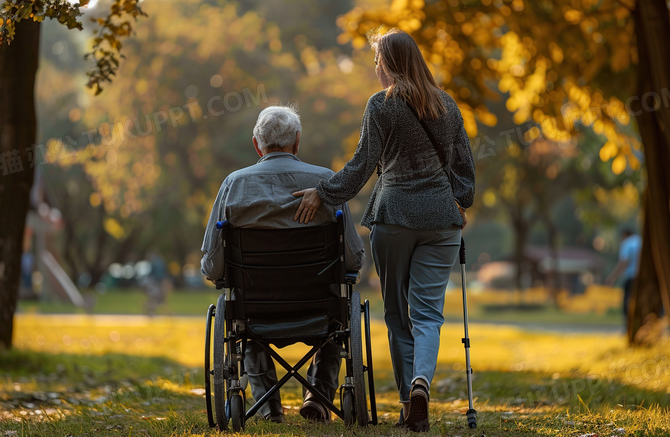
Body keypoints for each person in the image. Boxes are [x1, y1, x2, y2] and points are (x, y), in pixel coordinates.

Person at [292, 28, 475, 432]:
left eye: (377, 62)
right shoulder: (448, 106)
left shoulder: (381, 106)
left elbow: (360, 166)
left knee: (397, 314)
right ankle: (421, 384)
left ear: (388, 65)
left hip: (394, 217)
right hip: (443, 221)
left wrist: (323, 193)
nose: (376, 70)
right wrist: (459, 202)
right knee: (428, 314)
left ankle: (409, 400)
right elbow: (465, 168)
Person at [200, 105, 365, 423]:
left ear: (256, 144)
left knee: (244, 317)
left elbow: (213, 265)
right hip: (318, 307)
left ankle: (269, 407)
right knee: (338, 316)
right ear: (297, 142)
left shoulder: (233, 185)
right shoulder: (326, 182)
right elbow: (354, 257)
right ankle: (318, 396)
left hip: (255, 307)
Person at [605, 228, 642, 323]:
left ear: (625, 235)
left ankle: (629, 323)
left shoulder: (627, 243)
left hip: (631, 277)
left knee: (628, 301)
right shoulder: (641, 241)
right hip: (643, 277)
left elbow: (623, 262)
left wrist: (612, 277)